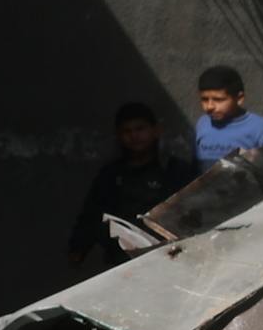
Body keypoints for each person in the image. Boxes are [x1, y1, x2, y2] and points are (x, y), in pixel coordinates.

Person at [67, 102, 192, 273]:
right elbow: (92, 213)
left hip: (169, 257)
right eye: (127, 131)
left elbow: (192, 210)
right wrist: (78, 248)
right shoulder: (111, 174)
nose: (134, 136)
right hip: (123, 261)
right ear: (119, 135)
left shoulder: (175, 170)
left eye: (140, 129)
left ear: (156, 130)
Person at [191, 66, 263, 167]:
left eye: (218, 100)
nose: (209, 106)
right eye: (204, 99)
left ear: (239, 98)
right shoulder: (203, 123)